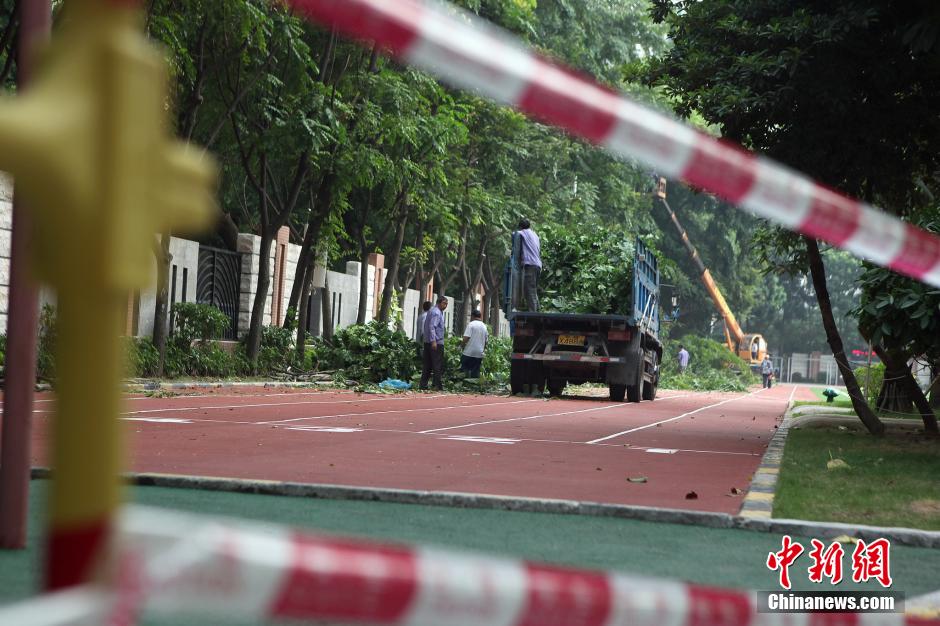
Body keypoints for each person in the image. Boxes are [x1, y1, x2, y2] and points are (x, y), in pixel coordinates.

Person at [420, 296, 448, 391]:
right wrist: (434, 341)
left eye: (446, 304)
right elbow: (432, 327)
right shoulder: (436, 312)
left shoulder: (432, 311)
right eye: (444, 303)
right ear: (439, 303)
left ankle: (423, 385)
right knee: (437, 364)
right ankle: (437, 385)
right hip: (436, 342)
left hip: (428, 342)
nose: (445, 306)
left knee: (427, 364)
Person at [516, 218, 541, 312]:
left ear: (521, 227)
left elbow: (515, 235)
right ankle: (537, 310)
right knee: (533, 289)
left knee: (529, 290)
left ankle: (533, 312)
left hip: (530, 265)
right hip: (538, 265)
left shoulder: (523, 233)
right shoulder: (535, 235)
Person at [461, 310, 488, 378]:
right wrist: (483, 351)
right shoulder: (484, 326)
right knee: (475, 373)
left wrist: (462, 346)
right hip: (479, 353)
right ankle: (474, 386)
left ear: (472, 316)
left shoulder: (471, 324)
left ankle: (465, 383)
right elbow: (486, 341)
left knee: (464, 371)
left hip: (469, 352)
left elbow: (466, 338)